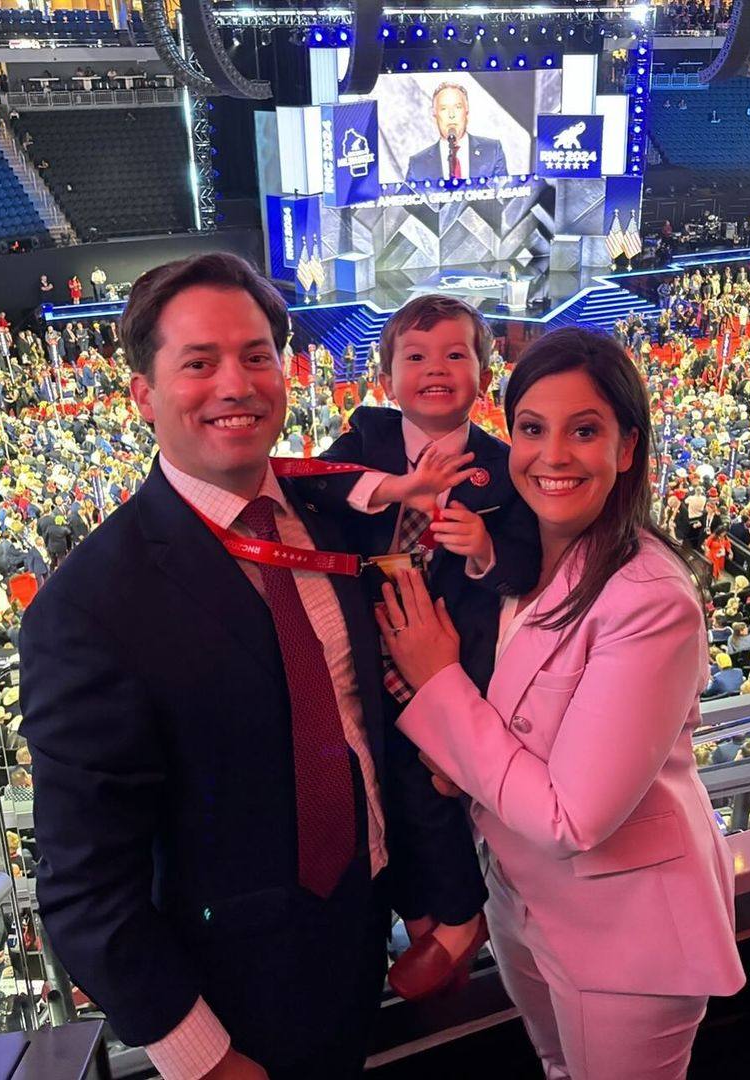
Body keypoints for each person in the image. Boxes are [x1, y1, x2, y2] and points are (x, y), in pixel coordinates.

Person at [20, 252, 477, 1080]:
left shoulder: (336, 521)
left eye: (256, 355)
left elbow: (362, 733)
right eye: (199, 363)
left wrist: (437, 894)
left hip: (363, 929)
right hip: (228, 990)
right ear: (142, 394)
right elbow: (86, 885)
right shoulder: (87, 607)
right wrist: (199, 1055)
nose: (235, 384)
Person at [379, 328, 745, 1079]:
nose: (552, 456)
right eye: (532, 429)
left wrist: (437, 678)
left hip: (628, 935)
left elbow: (570, 815)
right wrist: (458, 761)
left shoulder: (650, 598)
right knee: (555, 1066)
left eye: (585, 431)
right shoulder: (524, 556)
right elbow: (520, 729)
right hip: (524, 903)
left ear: (628, 448)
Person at [302, 294, 540, 997]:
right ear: (385, 378)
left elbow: (529, 559)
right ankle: (428, 913)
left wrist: (487, 550)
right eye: (415, 356)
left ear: (483, 375)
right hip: (372, 666)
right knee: (384, 790)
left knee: (432, 784)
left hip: (458, 671)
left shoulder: (503, 467)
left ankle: (460, 918)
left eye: (455, 354)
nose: (435, 368)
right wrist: (393, 489)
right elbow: (304, 488)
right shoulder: (365, 444)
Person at [405, 82, 508, 183]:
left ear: (466, 111)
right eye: (444, 109)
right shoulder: (417, 164)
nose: (451, 115)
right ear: (434, 115)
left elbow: (505, 198)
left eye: (457, 107)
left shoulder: (492, 151)